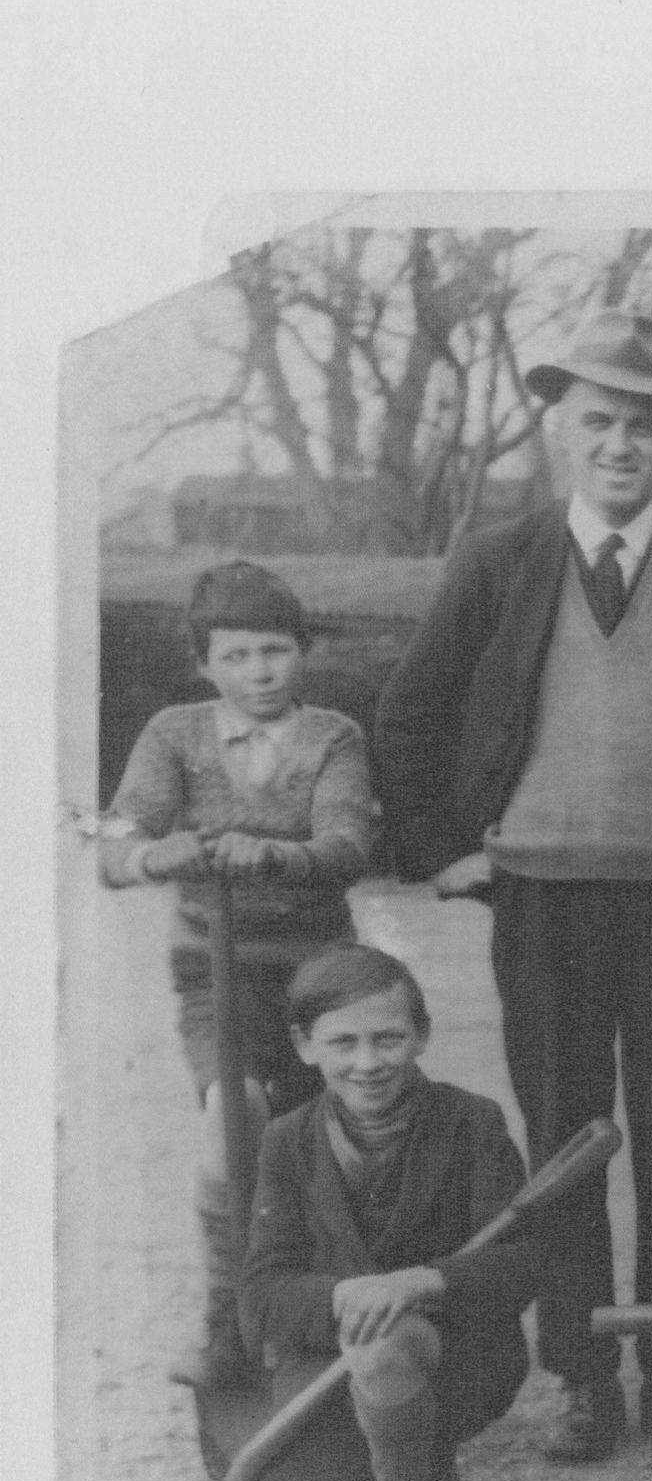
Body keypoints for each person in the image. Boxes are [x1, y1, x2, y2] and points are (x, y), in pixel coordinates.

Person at [371, 309, 652, 1463]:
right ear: (561, 426)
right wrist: (446, 851)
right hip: (543, 902)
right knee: (565, 1137)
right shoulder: (498, 562)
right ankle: (581, 1373)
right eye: (600, 422)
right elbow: (410, 718)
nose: (621, 445)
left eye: (644, 427)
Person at [97, 561, 378, 1391]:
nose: (259, 673)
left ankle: (331, 1316)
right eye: (238, 656)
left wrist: (280, 855)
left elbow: (347, 847)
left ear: (302, 653)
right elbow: (112, 846)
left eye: (276, 652)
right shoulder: (174, 734)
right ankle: (226, 1321)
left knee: (323, 1141)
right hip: (212, 972)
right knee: (235, 1119)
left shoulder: (334, 737)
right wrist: (153, 853)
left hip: (318, 971)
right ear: (204, 665)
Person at [230, 946, 541, 1481]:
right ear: (305, 1046)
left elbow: (526, 1264)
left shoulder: (472, 1123)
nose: (367, 1062)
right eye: (343, 1042)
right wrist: (345, 1297)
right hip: (326, 1383)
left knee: (384, 1341)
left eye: (388, 1038)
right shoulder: (287, 1141)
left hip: (452, 1359)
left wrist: (420, 1282)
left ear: (421, 1036)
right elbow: (261, 1297)